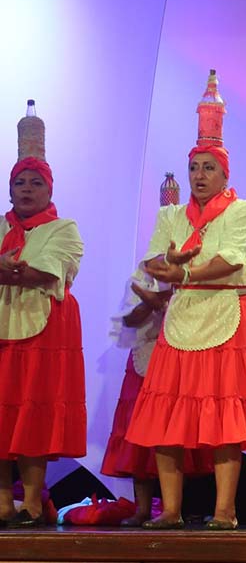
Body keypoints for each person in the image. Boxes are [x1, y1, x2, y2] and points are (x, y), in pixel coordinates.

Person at [125, 71, 246, 530]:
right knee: (166, 413)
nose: (199, 175)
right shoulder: (171, 214)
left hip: (229, 315)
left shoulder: (243, 211)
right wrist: (168, 261)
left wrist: (186, 270)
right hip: (182, 316)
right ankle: (171, 510)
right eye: (194, 167)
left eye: (208, 168)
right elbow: (154, 258)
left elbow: (233, 260)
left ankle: (223, 510)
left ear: (224, 173)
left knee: (226, 417)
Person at [102, 175, 213, 526]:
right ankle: (140, 508)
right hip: (145, 361)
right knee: (138, 435)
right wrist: (152, 302)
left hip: (182, 358)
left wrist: (170, 295)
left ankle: (174, 508)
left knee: (175, 435)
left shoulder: (196, 271)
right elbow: (130, 319)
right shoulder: (143, 272)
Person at [0, 100, 85, 527]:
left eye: (36, 183)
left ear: (49, 191)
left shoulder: (62, 229)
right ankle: (2, 502)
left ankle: (33, 501)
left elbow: (45, 273)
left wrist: (16, 272)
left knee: (31, 414)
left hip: (42, 336)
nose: (27, 190)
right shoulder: (0, 227)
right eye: (20, 183)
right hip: (3, 331)